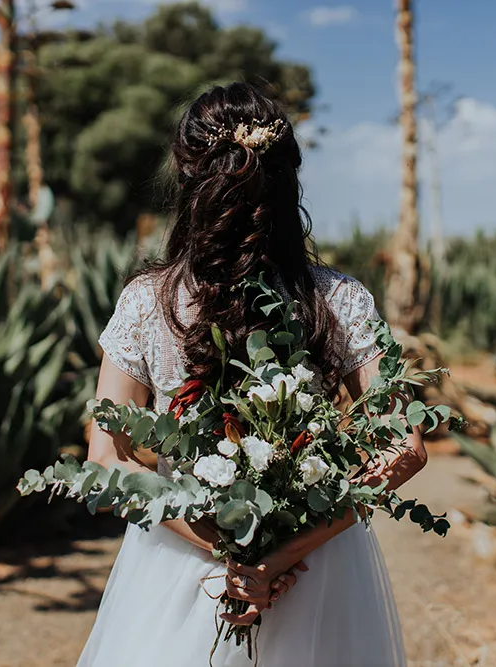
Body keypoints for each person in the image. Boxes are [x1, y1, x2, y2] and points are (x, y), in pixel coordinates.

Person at [79, 82, 428, 667]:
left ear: (187, 176)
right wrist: (279, 558)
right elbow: (406, 448)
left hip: (180, 565)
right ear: (288, 178)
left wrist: (226, 554)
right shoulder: (338, 299)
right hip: (316, 574)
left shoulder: (146, 302)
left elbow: (103, 462)